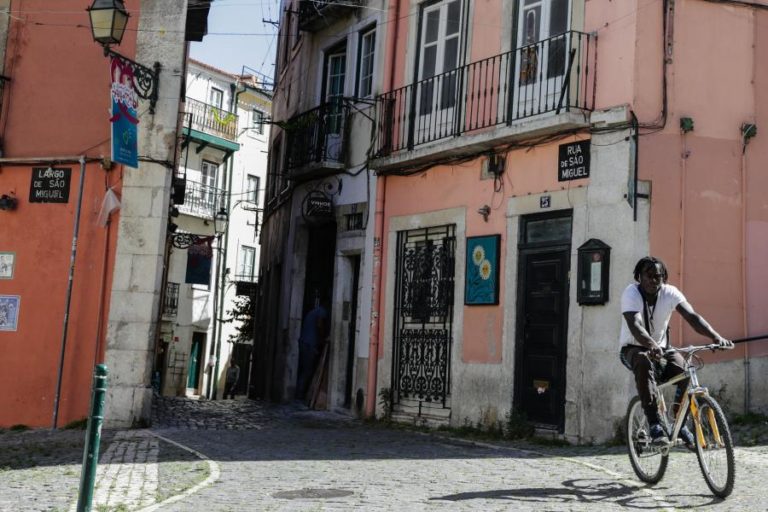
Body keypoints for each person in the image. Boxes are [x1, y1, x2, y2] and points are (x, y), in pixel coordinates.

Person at [619, 256, 732, 448]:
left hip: (662, 349)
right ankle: (654, 424)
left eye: (658, 276)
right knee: (643, 361)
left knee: (686, 370)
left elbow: (692, 317)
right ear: (639, 276)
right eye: (649, 276)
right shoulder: (631, 293)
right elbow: (635, 324)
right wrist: (650, 344)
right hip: (633, 348)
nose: (654, 280)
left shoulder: (669, 293)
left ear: (663, 278)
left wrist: (715, 337)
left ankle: (678, 423)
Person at [296, 296, 329, 400]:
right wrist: (323, 337)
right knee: (307, 370)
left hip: (304, 342)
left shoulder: (312, 312)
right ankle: (300, 395)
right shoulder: (322, 312)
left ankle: (300, 393)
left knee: (304, 369)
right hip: (309, 344)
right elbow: (319, 325)